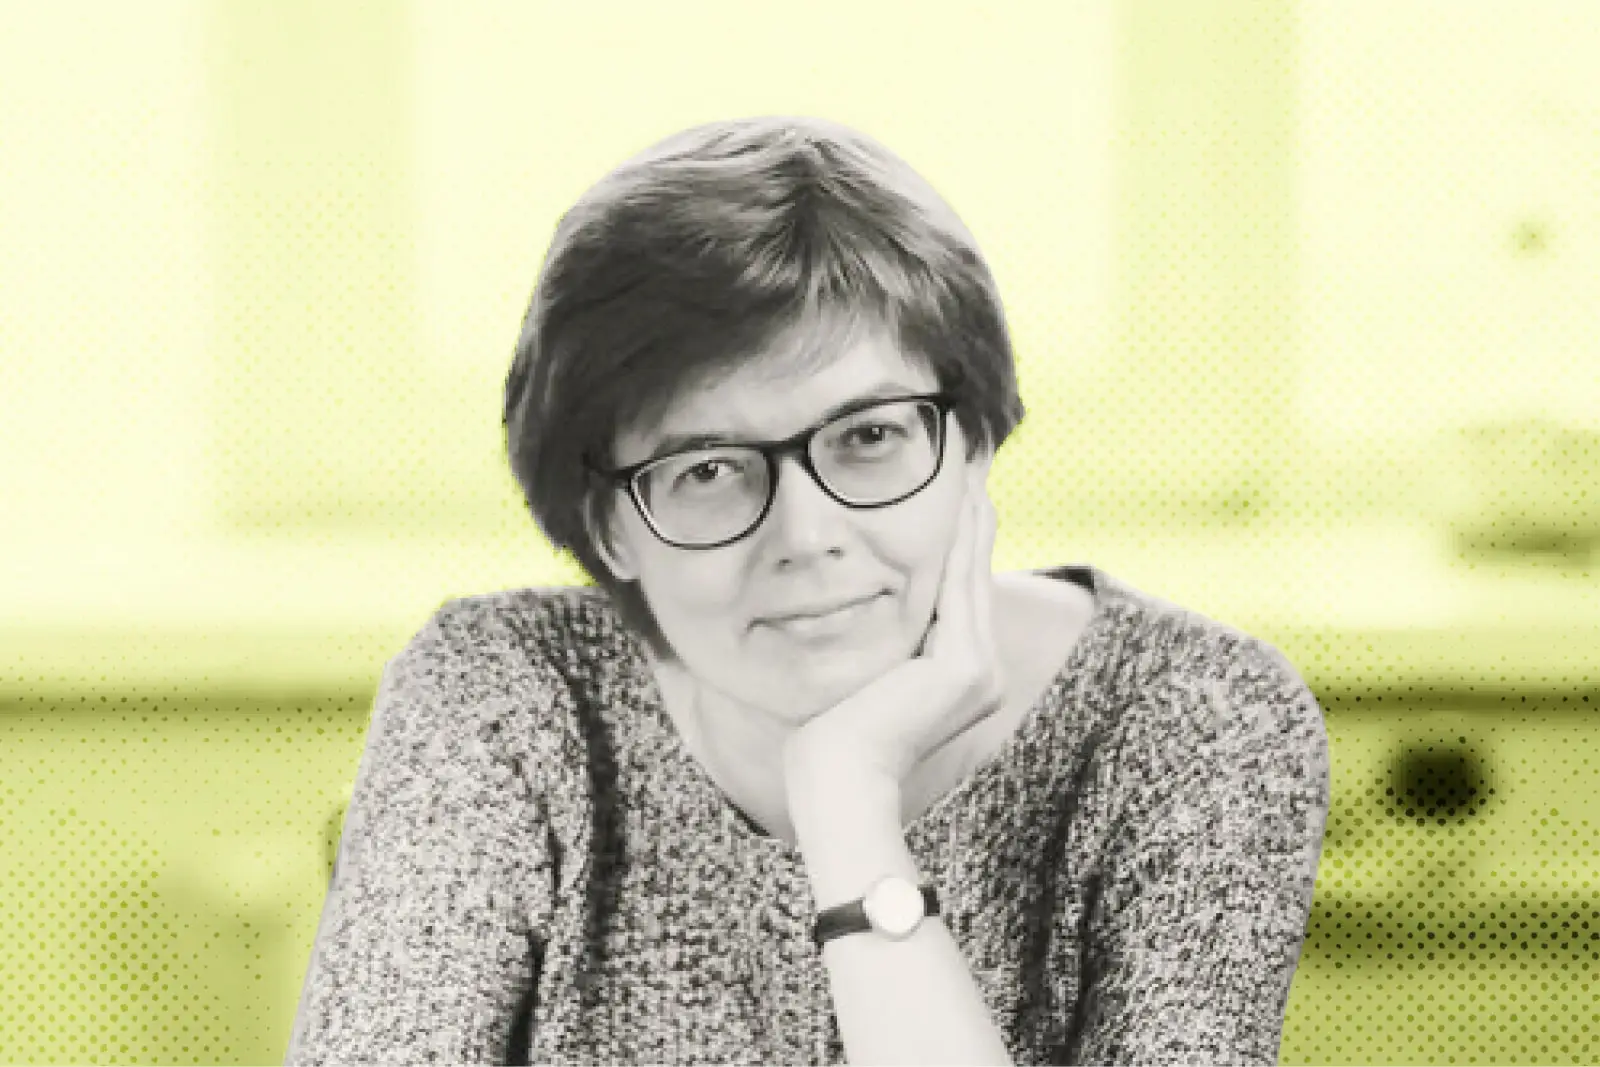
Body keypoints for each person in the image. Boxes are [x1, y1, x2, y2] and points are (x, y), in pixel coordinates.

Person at [283, 115, 1330, 1066]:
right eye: (706, 468)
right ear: (610, 526)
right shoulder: (500, 697)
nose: (807, 535)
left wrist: (846, 800)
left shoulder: (1195, 718)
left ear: (969, 445)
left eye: (868, 437)